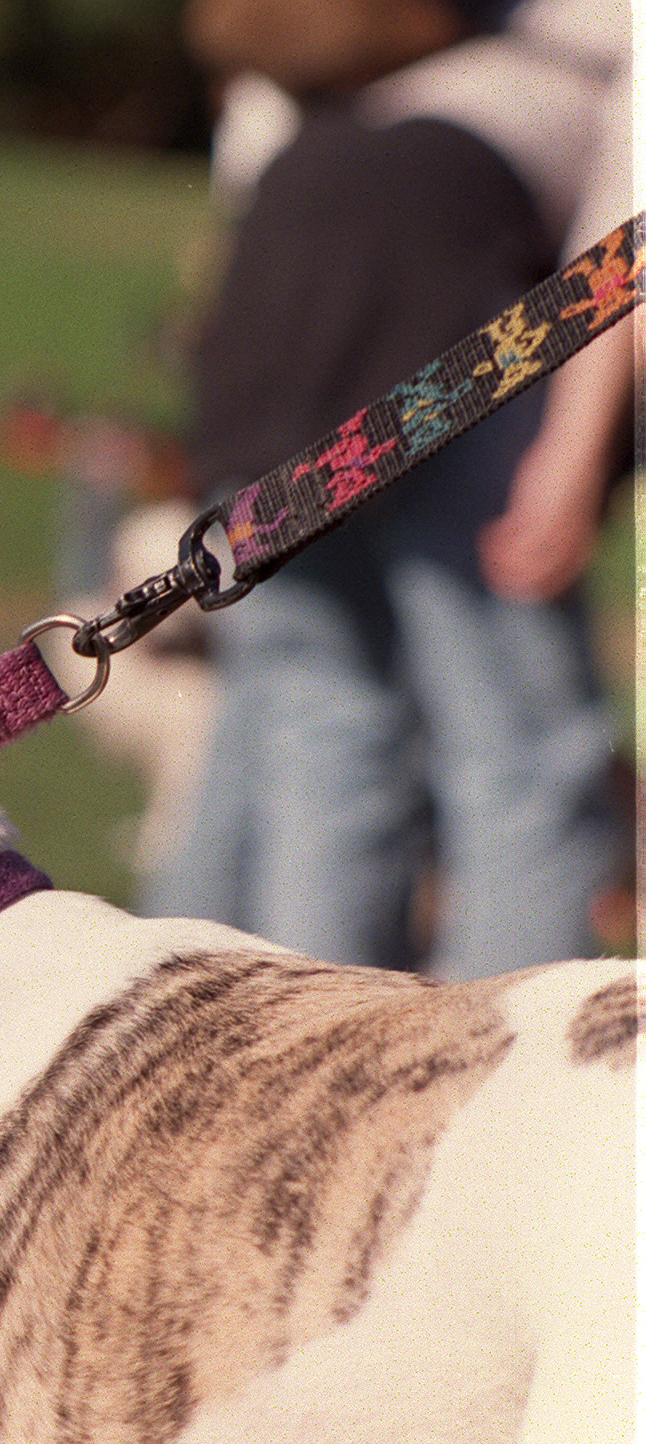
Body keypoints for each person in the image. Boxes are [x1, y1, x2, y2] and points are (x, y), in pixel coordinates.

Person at [152, 0, 630, 977]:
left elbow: (247, 145)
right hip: (436, 288)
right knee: (524, 770)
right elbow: (624, 243)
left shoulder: (425, 46)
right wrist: (573, 451)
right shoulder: (590, 41)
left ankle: (297, 1098)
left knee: (321, 744)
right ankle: (507, 1118)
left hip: (274, 288)